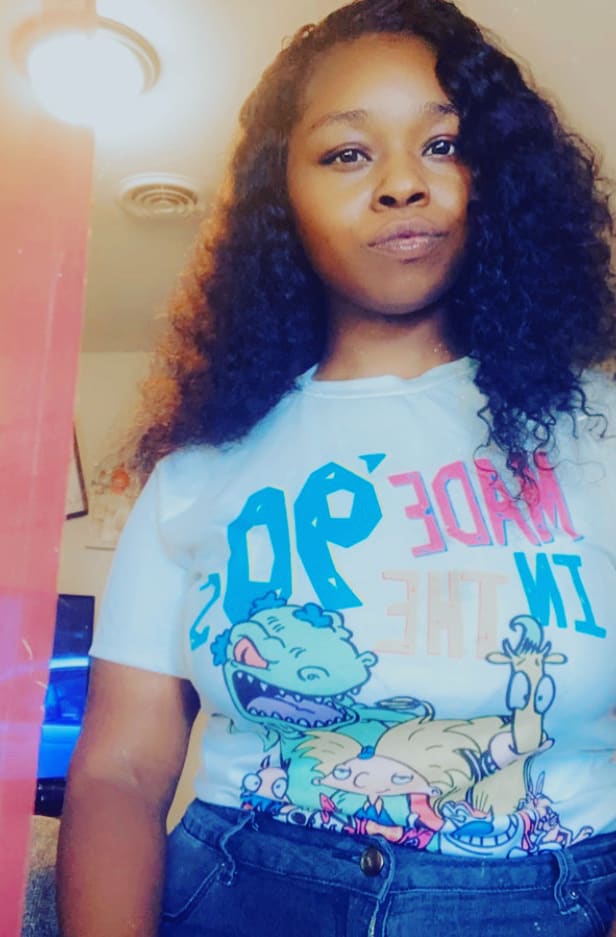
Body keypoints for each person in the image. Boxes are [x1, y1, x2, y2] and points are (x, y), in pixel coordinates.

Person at [57, 0, 616, 934]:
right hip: (237, 887)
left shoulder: (600, 430)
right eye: (348, 153)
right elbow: (120, 768)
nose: (401, 183)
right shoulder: (197, 467)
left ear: (497, 175)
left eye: (443, 144)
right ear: (282, 196)